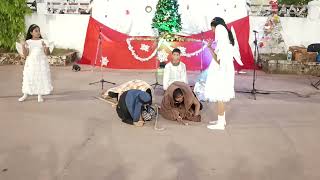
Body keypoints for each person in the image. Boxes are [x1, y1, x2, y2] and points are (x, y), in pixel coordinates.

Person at [205, 17, 243, 130]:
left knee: (220, 96)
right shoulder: (225, 43)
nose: (213, 32)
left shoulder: (224, 45)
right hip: (222, 71)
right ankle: (222, 120)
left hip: (221, 73)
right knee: (219, 96)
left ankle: (220, 124)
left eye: (213, 29)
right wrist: (210, 47)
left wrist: (210, 48)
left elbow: (219, 61)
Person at [19, 24, 53, 102]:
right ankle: (25, 94)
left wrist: (45, 47)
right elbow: (25, 54)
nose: (38, 32)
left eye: (39, 31)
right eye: (36, 31)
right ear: (31, 33)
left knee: (40, 77)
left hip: (41, 62)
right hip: (31, 62)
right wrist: (23, 45)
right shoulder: (28, 42)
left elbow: (47, 53)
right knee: (29, 77)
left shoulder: (43, 41)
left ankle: (39, 95)